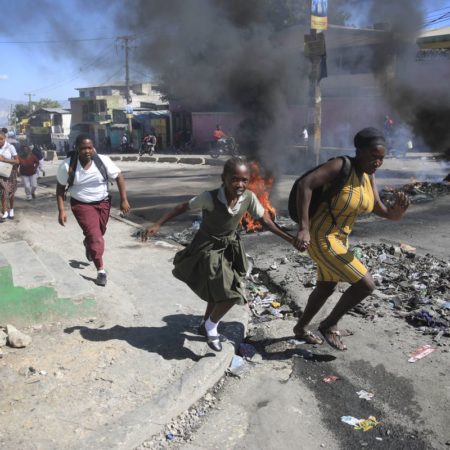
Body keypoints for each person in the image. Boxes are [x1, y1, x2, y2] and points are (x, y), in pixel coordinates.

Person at [142, 156, 297, 352]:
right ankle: (211, 326)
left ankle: (205, 324)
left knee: (219, 292)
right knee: (232, 294)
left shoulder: (248, 198)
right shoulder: (210, 197)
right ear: (223, 178)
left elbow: (266, 221)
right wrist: (158, 224)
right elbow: (182, 207)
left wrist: (290, 240)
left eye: (244, 180)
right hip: (207, 248)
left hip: (229, 248)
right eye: (234, 179)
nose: (239, 184)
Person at [292, 127, 410, 351]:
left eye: (382, 158)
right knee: (366, 284)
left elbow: (377, 207)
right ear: (360, 151)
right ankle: (329, 324)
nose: (377, 162)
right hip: (321, 236)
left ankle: (300, 328)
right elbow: (304, 185)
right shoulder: (341, 166)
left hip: (340, 238)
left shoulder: (368, 176)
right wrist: (303, 228)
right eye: (374, 156)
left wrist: (395, 214)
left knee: (327, 286)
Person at [56, 134, 130, 286]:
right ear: (76, 148)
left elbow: (119, 177)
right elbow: (60, 189)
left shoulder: (102, 161)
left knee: (99, 232)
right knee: (96, 237)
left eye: (90, 147)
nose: (87, 151)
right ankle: (101, 271)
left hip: (103, 203)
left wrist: (124, 200)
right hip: (81, 205)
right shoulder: (67, 165)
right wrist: (61, 210)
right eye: (83, 148)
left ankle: (88, 244)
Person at [0, 130, 19, 221]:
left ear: (5, 138)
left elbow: (17, 161)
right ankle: (4, 211)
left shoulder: (10, 147)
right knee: (3, 193)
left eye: (1, 139)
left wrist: (4, 160)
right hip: (0, 174)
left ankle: (11, 209)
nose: (0, 141)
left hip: (9, 173)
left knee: (10, 193)